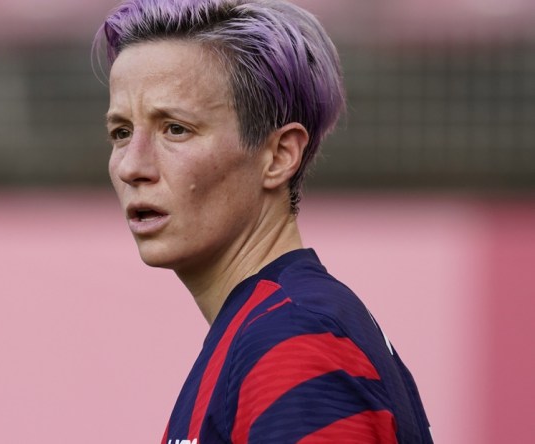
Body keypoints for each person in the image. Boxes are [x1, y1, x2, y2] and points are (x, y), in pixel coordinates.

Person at [95, 0, 432, 442]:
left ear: (279, 155)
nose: (131, 167)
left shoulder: (295, 336)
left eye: (175, 128)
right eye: (121, 132)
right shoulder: (265, 327)